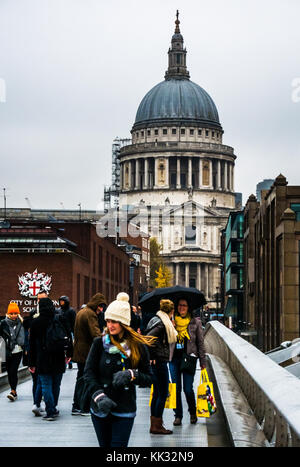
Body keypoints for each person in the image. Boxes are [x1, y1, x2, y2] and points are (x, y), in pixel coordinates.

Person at [83, 292, 155, 447]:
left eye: (114, 321)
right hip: (100, 407)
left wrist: (131, 374)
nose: (110, 325)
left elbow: (149, 377)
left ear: (123, 323)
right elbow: (88, 374)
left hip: (124, 408)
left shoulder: (137, 346)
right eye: (108, 321)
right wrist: (99, 396)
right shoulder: (99, 344)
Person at [28, 297, 73, 421]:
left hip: (42, 358)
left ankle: (50, 410)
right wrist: (69, 353)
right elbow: (69, 336)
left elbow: (31, 344)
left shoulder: (36, 323)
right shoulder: (60, 318)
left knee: (45, 384)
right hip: (58, 356)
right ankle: (54, 406)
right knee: (56, 384)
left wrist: (31, 362)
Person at [169, 298, 206, 426]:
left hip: (189, 358)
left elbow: (200, 343)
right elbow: (165, 340)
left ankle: (192, 412)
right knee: (176, 388)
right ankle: (178, 415)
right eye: (179, 305)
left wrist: (203, 362)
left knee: (188, 389)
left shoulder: (195, 322)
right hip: (174, 358)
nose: (182, 308)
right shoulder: (171, 321)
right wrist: (170, 328)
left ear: (188, 307)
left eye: (184, 305)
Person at [71, 293, 107, 415]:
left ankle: (76, 405)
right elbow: (95, 335)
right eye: (101, 307)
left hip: (79, 350)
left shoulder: (81, 312)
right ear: (96, 305)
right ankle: (82, 406)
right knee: (86, 380)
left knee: (80, 379)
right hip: (86, 352)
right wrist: (105, 338)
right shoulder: (90, 314)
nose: (101, 310)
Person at [145, 299, 178, 435]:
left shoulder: (157, 319)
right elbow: (148, 339)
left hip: (157, 361)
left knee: (157, 393)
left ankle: (155, 424)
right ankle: (157, 425)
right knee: (163, 393)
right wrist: (153, 356)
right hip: (159, 361)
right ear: (171, 311)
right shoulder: (162, 324)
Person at [23, 290, 48, 416]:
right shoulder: (32, 314)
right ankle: (36, 403)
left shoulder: (51, 315)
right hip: (35, 352)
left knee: (42, 380)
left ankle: (41, 402)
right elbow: (28, 336)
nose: (39, 301)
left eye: (42, 299)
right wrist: (28, 350)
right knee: (36, 380)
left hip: (45, 353)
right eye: (38, 299)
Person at [0, 303, 25, 401]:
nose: (14, 315)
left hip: (18, 350)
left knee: (13, 370)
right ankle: (13, 389)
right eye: (12, 313)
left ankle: (13, 391)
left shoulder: (21, 322)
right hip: (7, 351)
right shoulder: (3, 323)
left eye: (16, 313)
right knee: (10, 372)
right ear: (8, 314)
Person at [57, 295, 76, 369]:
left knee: (69, 347)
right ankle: (63, 362)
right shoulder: (58, 310)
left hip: (69, 331)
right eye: (60, 301)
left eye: (62, 301)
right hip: (61, 331)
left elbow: (74, 322)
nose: (61, 303)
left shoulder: (71, 311)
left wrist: (73, 332)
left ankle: (70, 361)